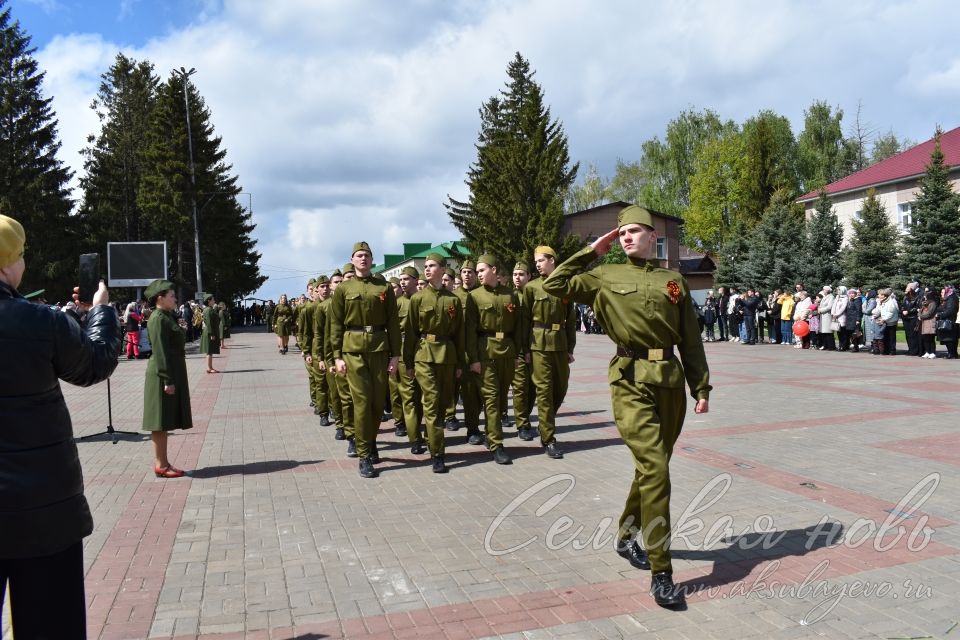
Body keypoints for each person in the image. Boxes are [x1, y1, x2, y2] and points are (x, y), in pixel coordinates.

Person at [542, 206, 710, 608]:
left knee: (653, 468)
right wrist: (592, 251)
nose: (627, 237)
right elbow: (553, 285)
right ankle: (662, 570)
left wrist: (700, 385)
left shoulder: (674, 281)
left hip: (668, 380)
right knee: (655, 468)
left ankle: (625, 535)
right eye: (621, 233)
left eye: (635, 231)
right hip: (629, 379)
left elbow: (690, 337)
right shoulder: (604, 275)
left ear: (654, 236)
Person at [0, 214, 121, 639]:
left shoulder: (42, 320)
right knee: (51, 624)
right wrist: (101, 312)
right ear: (6, 266)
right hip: (42, 510)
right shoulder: (39, 322)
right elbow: (93, 364)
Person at [330, 242, 402, 478]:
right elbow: (336, 324)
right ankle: (364, 455)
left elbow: (393, 321)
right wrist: (337, 356)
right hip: (353, 351)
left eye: (367, 255)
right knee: (361, 402)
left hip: (380, 349)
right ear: (353, 259)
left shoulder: (383, 287)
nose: (363, 259)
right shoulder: (344, 288)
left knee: (377, 403)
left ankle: (370, 440)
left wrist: (395, 355)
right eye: (359, 255)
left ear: (372, 260)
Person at [403, 253, 465, 472]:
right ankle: (438, 454)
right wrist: (409, 363)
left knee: (443, 403)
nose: (427, 269)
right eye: (425, 266)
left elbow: (459, 335)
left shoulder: (453, 300)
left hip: (447, 355)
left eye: (431, 266)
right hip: (424, 355)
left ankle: (432, 440)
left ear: (443, 268)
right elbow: (410, 333)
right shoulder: (418, 299)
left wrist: (459, 363)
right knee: (431, 401)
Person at [523, 246, 576, 457]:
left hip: (560, 344)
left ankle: (545, 422)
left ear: (552, 260)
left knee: (561, 388)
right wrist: (524, 349)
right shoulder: (532, 287)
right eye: (535, 261)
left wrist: (570, 348)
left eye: (541, 260)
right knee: (544, 391)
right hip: (538, 344)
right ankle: (549, 438)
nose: (537, 264)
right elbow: (524, 321)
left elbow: (570, 320)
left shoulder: (564, 286)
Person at [141, 280, 193, 478]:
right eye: (171, 295)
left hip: (169, 373)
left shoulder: (166, 316)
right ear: (160, 298)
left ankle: (164, 463)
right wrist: (167, 380)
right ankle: (161, 465)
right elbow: (161, 352)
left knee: (164, 420)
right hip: (161, 375)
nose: (175, 298)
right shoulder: (157, 319)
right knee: (159, 421)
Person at [511, 261, 535, 439]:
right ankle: (522, 424)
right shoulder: (510, 296)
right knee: (519, 387)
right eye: (515, 274)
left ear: (529, 276)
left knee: (533, 387)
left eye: (521, 274)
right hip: (517, 349)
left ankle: (525, 417)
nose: (517, 278)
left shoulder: (534, 294)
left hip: (536, 347)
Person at [199, 293, 221, 373]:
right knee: (209, 351)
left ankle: (210, 367)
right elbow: (209, 323)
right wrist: (211, 334)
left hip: (210, 332)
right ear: (209, 301)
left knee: (210, 351)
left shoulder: (210, 309)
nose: (214, 301)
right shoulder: (208, 310)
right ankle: (209, 368)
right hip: (209, 332)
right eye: (213, 299)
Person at [937, 285, 959, 359]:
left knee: (949, 339)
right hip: (950, 320)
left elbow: (950, 311)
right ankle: (952, 354)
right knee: (950, 339)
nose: (941, 293)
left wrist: (940, 314)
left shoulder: (951, 299)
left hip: (950, 321)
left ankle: (951, 354)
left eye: (944, 291)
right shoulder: (950, 298)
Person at [919, 287, 939, 358]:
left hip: (930, 322)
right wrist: (920, 314)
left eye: (926, 295)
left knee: (931, 338)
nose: (924, 296)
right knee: (925, 338)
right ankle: (927, 351)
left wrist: (921, 316)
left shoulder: (933, 303)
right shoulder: (924, 303)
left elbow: (929, 313)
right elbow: (920, 311)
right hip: (924, 322)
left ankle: (932, 352)